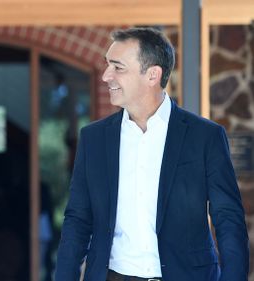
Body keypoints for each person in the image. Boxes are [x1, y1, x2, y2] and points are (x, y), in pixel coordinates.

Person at [55, 27, 249, 281]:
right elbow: (77, 220)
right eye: (107, 66)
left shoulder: (205, 136)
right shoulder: (94, 139)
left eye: (118, 67)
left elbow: (228, 218)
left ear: (152, 75)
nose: (106, 76)